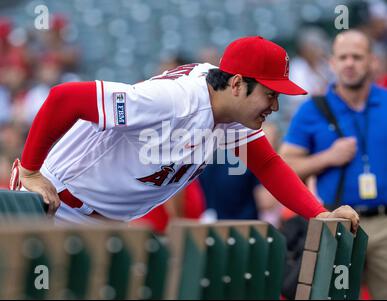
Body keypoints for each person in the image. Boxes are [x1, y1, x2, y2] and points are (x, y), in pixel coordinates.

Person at [9, 36, 359, 231]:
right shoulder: (173, 100)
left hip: (102, 220)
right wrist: (30, 170)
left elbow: (267, 164)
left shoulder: (230, 109)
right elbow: (64, 97)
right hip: (54, 203)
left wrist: (319, 213)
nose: (275, 106)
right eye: (270, 94)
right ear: (237, 84)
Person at [279, 30, 387, 299]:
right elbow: (285, 168)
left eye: (357, 57)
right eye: (343, 57)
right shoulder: (312, 109)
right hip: (336, 221)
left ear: (372, 61)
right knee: (331, 296)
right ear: (332, 62)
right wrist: (328, 157)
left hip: (384, 222)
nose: (349, 63)